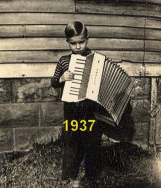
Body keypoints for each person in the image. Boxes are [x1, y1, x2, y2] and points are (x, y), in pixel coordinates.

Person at [51, 21, 104, 187]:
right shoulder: (64, 61)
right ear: (67, 42)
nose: (78, 46)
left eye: (81, 42)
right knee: (71, 141)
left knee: (92, 142)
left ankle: (92, 174)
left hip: (90, 109)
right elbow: (54, 82)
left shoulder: (95, 60)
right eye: (73, 43)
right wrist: (61, 79)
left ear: (87, 40)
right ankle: (68, 174)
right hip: (72, 109)